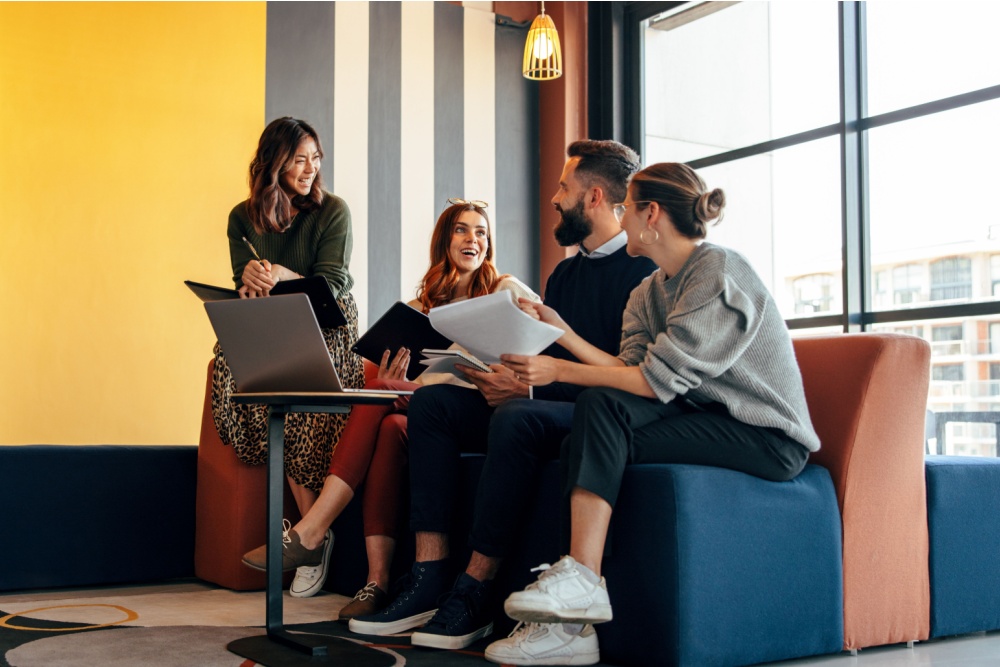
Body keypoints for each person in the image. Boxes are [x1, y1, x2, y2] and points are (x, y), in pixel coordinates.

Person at [485, 162, 820, 666]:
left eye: (627, 208)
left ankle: (580, 582)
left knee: (599, 409)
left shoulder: (718, 272)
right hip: (704, 417)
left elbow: (649, 381)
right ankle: (572, 630)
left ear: (652, 214)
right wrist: (562, 333)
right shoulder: (648, 291)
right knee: (582, 437)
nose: (619, 219)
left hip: (765, 435)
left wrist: (558, 370)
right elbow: (629, 368)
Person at [348, 140, 657, 653]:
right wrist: (502, 377)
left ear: (595, 197)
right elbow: (537, 352)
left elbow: (624, 377)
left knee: (516, 418)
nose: (554, 198)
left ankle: (474, 592)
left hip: (598, 413)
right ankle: (428, 576)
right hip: (542, 396)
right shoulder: (564, 274)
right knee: (433, 407)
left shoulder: (642, 273)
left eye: (564, 187)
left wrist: (528, 388)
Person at [241, 199, 540, 608]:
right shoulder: (419, 310)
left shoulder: (504, 289)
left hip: (486, 409)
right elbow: (403, 381)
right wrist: (394, 383)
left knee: (388, 404)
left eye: (481, 232)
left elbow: (540, 346)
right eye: (462, 230)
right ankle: (376, 582)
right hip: (426, 414)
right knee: (385, 418)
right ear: (444, 242)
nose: (473, 239)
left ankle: (313, 531)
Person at [211, 116, 365, 595]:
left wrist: (281, 273)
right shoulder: (242, 216)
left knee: (298, 404)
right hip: (273, 321)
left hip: (327, 323)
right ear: (273, 162)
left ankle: (308, 537)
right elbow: (244, 278)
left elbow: (334, 284)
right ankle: (311, 537)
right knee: (229, 365)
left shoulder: (332, 210)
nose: (310, 168)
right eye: (300, 159)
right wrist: (250, 282)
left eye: (315, 158)